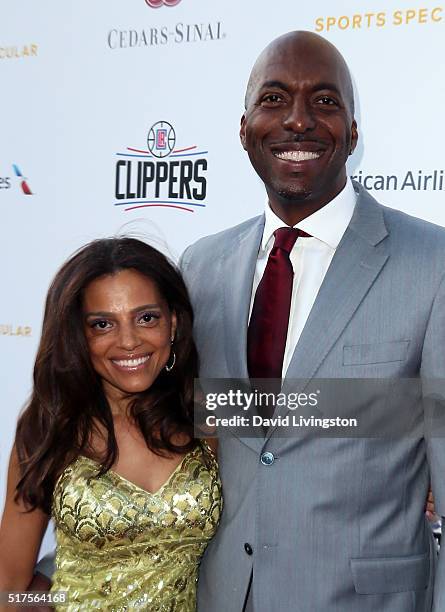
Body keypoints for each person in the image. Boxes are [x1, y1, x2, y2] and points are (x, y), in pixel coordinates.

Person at [179, 31, 445, 611]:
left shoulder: (433, 264)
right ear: (244, 127)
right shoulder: (199, 268)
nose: (298, 121)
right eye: (273, 99)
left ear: (353, 131)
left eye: (325, 101)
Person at [0, 238, 222, 611]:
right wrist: (53, 599)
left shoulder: (209, 413)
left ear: (173, 322)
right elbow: (9, 586)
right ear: (79, 336)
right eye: (102, 324)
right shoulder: (48, 426)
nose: (129, 341)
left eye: (146, 317)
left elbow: (333, 410)